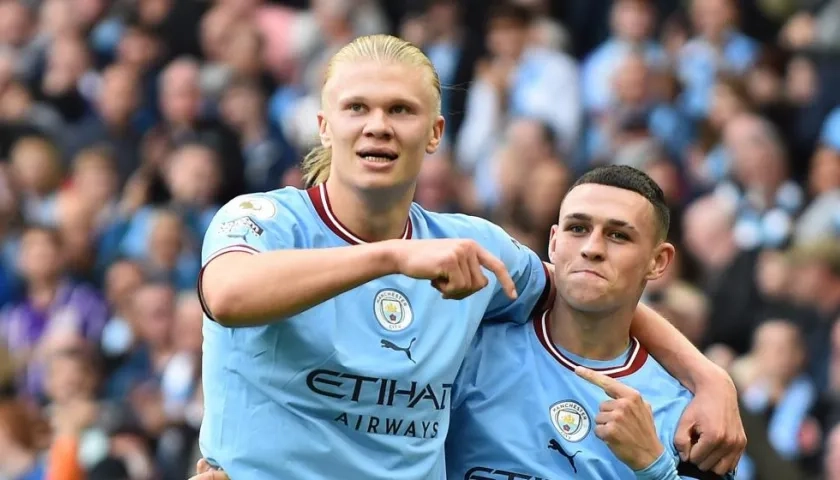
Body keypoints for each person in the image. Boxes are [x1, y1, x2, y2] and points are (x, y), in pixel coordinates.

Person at [194, 34, 744, 479]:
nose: (377, 125)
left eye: (401, 110)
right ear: (324, 125)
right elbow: (227, 295)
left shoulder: (468, 246)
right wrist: (390, 259)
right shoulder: (265, 219)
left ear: (434, 133)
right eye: (356, 107)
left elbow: (582, 285)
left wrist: (709, 377)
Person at [445, 165, 738, 479]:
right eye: (578, 228)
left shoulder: (689, 417)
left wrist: (654, 467)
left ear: (658, 261)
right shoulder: (469, 353)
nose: (592, 248)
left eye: (618, 235)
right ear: (554, 242)